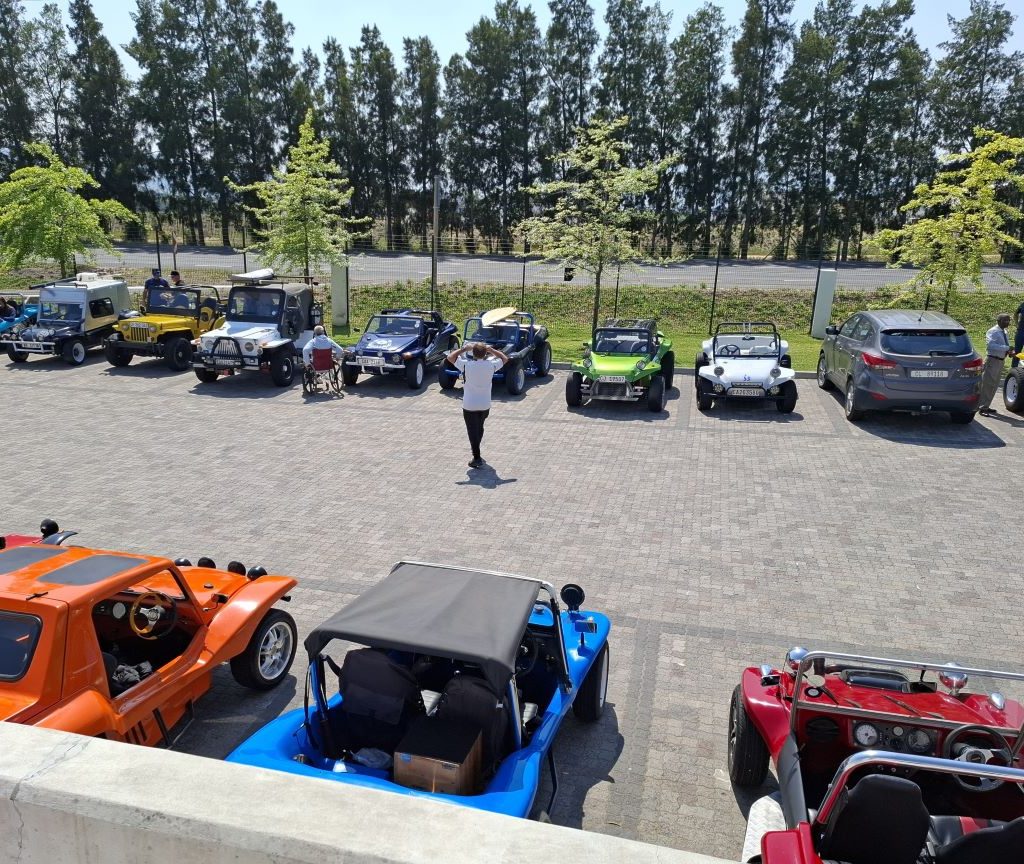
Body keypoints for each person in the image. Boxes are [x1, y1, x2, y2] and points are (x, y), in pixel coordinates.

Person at [446, 341, 509, 469]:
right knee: (479, 427)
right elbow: (505, 358)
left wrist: (463, 349)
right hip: (485, 404)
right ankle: (477, 450)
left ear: (472, 353)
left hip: (470, 404)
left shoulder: (466, 365)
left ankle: (476, 457)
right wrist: (491, 350)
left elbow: (450, 357)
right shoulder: (491, 365)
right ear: (485, 353)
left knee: (472, 431)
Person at [978, 313, 1012, 416]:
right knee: (987, 384)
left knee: (994, 385)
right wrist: (1006, 348)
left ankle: (986, 405)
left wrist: (1009, 352)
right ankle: (982, 407)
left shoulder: (1005, 332)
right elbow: (991, 346)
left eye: (1009, 320)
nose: (1008, 322)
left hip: (1001, 360)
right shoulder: (993, 331)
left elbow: (1004, 345)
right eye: (1005, 320)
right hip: (992, 360)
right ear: (998, 321)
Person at [1013, 300, 1024, 369]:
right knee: (1017, 352)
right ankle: (1013, 369)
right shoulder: (1023, 304)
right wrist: (1017, 324)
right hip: (1021, 332)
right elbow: (1015, 314)